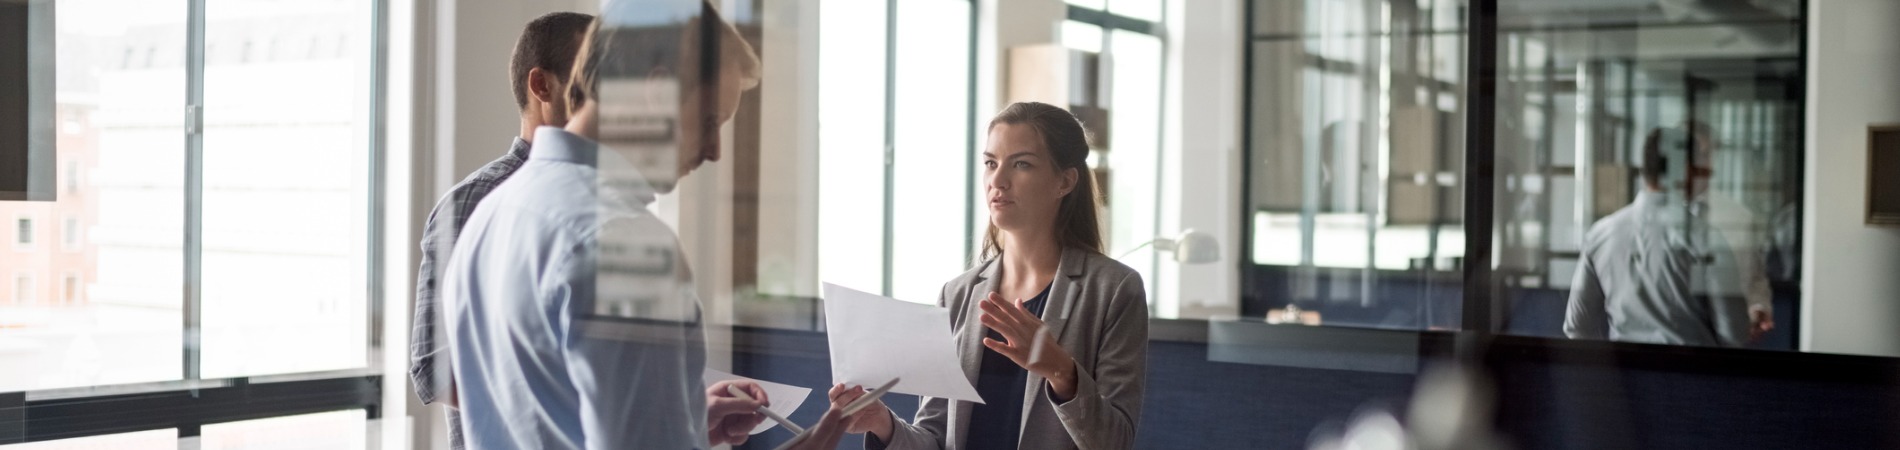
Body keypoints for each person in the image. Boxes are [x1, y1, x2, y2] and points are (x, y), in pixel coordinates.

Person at [440, 4, 846, 449]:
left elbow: (543, 416)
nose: (714, 152)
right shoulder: (624, 244)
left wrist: (682, 424)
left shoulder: (493, 214)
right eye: (710, 122)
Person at [829, 102, 1150, 449]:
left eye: (1021, 164)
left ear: (1065, 181)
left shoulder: (1114, 291)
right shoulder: (958, 295)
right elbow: (935, 439)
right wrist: (883, 423)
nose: (998, 180)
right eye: (991, 163)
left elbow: (1115, 441)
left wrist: (1062, 373)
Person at [407, 11, 592, 450]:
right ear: (541, 86)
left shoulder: (599, 201)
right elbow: (433, 367)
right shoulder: (476, 201)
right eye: (591, 77)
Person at [1564, 123, 1756, 347]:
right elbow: (1734, 336)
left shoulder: (1600, 235)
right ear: (1685, 170)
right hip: (1693, 378)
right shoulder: (1706, 238)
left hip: (1624, 378)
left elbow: (1578, 327)